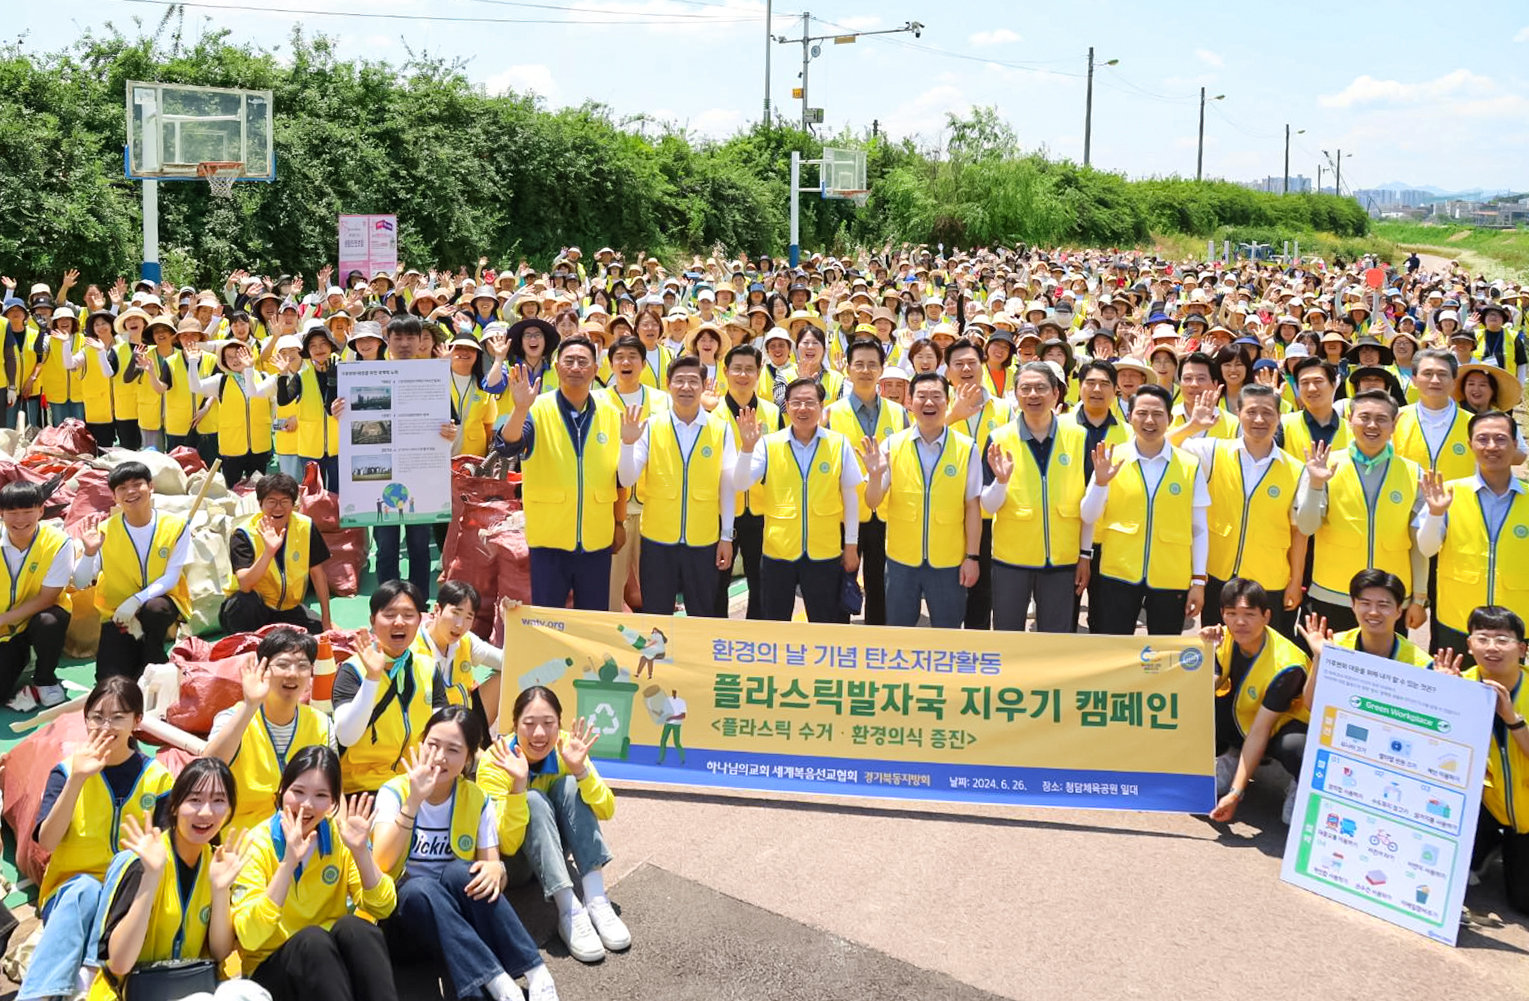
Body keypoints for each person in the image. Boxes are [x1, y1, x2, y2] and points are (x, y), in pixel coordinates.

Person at [372, 707, 560, 1001]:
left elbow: (491, 871)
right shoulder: (394, 792)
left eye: (453, 750)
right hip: (403, 921)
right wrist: (413, 802)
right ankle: (497, 979)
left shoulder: (475, 797)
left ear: (468, 759)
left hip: (455, 924)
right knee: (421, 887)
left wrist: (498, 869)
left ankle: (536, 972)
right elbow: (380, 864)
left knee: (462, 871)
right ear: (421, 743)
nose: (439, 757)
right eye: (432, 744)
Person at [17, 678, 174, 1001]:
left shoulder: (158, 779)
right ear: (85, 719)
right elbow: (47, 842)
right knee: (85, 889)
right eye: (97, 716)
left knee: (128, 863)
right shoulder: (65, 771)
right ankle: (47, 993)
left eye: (118, 717)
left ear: (137, 721)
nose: (106, 726)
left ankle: (80, 984)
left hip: (127, 897)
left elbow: (165, 849)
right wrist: (77, 780)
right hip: (71, 894)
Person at [232, 746, 400, 1001]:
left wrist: (361, 852)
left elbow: (384, 907)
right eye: (298, 792)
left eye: (321, 795)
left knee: (356, 928)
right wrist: (287, 863)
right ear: (281, 792)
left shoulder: (339, 837)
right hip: (272, 971)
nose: (307, 805)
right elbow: (249, 936)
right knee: (312, 940)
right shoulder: (257, 843)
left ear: (333, 803)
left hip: (329, 971)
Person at [478, 687, 628, 966]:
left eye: (548, 724)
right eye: (529, 724)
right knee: (532, 800)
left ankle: (596, 899)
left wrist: (580, 770)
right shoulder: (494, 761)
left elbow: (607, 809)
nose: (539, 734)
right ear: (514, 724)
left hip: (558, 846)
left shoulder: (567, 746)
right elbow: (506, 845)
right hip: (518, 864)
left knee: (572, 784)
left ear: (559, 724)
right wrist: (518, 788)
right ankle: (569, 911)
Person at [90, 758, 258, 1001]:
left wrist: (220, 890)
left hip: (191, 986)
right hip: (130, 993)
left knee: (249, 993)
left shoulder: (218, 863)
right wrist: (151, 877)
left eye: (219, 800)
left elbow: (220, 953)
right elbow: (119, 963)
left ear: (230, 808)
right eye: (195, 800)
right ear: (175, 806)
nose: (206, 812)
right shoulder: (142, 861)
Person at [495, 335, 626, 612]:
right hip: (549, 540)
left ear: (595, 369)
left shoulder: (612, 413)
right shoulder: (536, 408)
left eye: (583, 361)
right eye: (569, 361)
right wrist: (520, 409)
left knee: (592, 620)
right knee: (549, 621)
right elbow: (508, 446)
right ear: (556, 366)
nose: (576, 367)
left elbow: (618, 478)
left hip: (596, 539)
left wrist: (618, 523)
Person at [1294, 389, 1426, 634]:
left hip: (1390, 599)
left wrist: (1418, 598)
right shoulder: (1323, 465)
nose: (1372, 425)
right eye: (1364, 417)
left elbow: (1419, 544)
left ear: (1394, 424)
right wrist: (1315, 484)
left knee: (1385, 670)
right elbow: (1306, 526)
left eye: (1382, 419)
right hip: (1333, 593)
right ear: (1350, 419)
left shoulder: (1413, 473)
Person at [1081, 383, 1209, 634]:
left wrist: (1198, 580)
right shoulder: (1111, 458)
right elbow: (1088, 515)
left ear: (1170, 419)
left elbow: (1199, 528)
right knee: (1114, 649)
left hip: (1170, 575)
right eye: (1141, 413)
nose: (1149, 420)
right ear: (1129, 417)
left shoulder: (1190, 466)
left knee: (1163, 654)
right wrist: (1100, 483)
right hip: (1118, 572)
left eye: (1158, 414)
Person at [1179, 384, 1306, 637]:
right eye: (1251, 412)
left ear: (1279, 417)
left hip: (1269, 577)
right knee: (1217, 649)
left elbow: (1299, 532)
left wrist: (1295, 582)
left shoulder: (1296, 469)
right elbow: (1165, 447)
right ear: (1238, 413)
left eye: (1268, 412)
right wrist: (1193, 427)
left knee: (1265, 652)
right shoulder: (1213, 451)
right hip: (1219, 573)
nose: (1259, 419)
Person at [733, 377, 862, 623]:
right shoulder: (768, 445)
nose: (803, 409)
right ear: (787, 406)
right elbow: (740, 484)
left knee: (827, 624)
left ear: (822, 406)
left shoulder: (838, 444)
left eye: (810, 402)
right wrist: (747, 448)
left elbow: (850, 498)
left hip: (824, 552)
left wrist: (852, 546)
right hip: (778, 552)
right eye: (796, 403)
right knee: (775, 624)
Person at [619, 354, 736, 617]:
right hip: (658, 540)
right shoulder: (650, 427)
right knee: (656, 616)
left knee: (702, 615)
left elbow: (727, 486)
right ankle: (659, 661)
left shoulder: (720, 429)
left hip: (703, 540)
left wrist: (726, 536)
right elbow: (627, 479)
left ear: (704, 386)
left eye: (693, 381)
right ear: (668, 384)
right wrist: (627, 444)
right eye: (679, 381)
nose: (686, 387)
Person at [863, 372, 981, 628]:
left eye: (936, 396)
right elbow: (872, 502)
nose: (929, 403)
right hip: (901, 561)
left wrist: (972, 558)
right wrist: (875, 476)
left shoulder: (966, 447)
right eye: (922, 396)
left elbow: (972, 506)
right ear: (909, 401)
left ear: (947, 401)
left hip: (948, 561)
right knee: (900, 632)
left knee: (948, 633)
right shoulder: (892, 445)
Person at [981, 361, 1090, 633]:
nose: (1033, 395)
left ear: (1056, 393)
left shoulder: (1079, 437)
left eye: (1041, 388)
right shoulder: (998, 438)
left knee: (1056, 640)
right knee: (1008, 634)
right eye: (1025, 388)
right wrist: (1001, 482)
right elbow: (987, 504)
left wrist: (1085, 554)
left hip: (1062, 559)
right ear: (1015, 395)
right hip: (1011, 559)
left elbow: (1089, 504)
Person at [1417, 410, 1529, 660]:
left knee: (1512, 696)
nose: (1491, 446)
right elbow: (1427, 548)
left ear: (1514, 444)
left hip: (1515, 625)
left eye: (1500, 439)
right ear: (1470, 445)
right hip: (1457, 621)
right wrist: (1435, 513)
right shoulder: (1447, 493)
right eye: (1483, 439)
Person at [1441, 605, 1529, 913]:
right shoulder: (1460, 682)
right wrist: (1443, 697)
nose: (1492, 647)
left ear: (1522, 648)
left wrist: (1512, 719)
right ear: (1469, 644)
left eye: (1502, 639)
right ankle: (1486, 842)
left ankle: (1504, 845)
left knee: (1524, 904)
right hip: (1485, 804)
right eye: (1483, 638)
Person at [204, 628, 336, 833]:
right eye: (282, 665)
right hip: (244, 836)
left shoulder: (321, 724)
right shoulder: (234, 717)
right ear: (262, 669)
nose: (292, 673)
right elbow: (210, 767)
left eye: (302, 666)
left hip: (305, 831)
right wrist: (250, 706)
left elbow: (333, 790)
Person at [1201, 578, 1310, 826]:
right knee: (1201, 707)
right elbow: (1206, 687)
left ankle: (1301, 784)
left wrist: (1236, 794)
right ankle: (1231, 754)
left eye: (1249, 614)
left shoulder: (1287, 664)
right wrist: (1202, 649)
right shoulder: (1226, 637)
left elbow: (1261, 730)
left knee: (1295, 748)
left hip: (1285, 724)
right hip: (1247, 715)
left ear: (1266, 616)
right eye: (1232, 614)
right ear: (1223, 615)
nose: (1240, 622)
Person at [73, 461, 190, 682]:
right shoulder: (104, 530)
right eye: (122, 488)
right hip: (119, 615)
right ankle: (146, 659)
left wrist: (136, 600)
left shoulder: (176, 526)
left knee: (155, 610)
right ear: (114, 496)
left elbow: (172, 576)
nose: (131, 492)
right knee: (109, 679)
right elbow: (80, 582)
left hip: (160, 604)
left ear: (151, 486)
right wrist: (89, 553)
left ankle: (152, 657)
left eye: (137, 484)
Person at [368, 315, 459, 597]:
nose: (405, 344)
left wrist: (450, 431)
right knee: (386, 545)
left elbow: (451, 421)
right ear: (388, 341)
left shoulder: (434, 376)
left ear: (422, 341)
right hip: (384, 472)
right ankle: (388, 599)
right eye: (398, 338)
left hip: (421, 474)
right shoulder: (371, 375)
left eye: (411, 338)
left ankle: (417, 599)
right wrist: (340, 412)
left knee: (420, 544)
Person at [823, 340, 908, 625]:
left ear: (882, 370)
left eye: (872, 364)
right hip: (843, 514)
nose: (865, 370)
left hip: (886, 513)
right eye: (859, 364)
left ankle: (877, 648)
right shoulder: (830, 414)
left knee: (880, 588)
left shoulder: (898, 413)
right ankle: (838, 650)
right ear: (847, 369)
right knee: (839, 586)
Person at [331, 580, 436, 795]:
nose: (399, 622)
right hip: (364, 788)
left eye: (408, 615)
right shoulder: (352, 670)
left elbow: (441, 730)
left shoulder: (429, 668)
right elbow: (346, 736)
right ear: (372, 621)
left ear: (420, 620)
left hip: (416, 780)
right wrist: (372, 678)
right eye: (389, 615)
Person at [943, 337, 1014, 629]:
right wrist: (952, 415)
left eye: (972, 362)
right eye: (958, 364)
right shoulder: (937, 402)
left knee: (982, 588)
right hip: (947, 510)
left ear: (983, 365)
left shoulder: (1004, 409)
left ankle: (977, 646)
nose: (966, 368)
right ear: (947, 372)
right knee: (946, 586)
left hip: (987, 511)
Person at [1298, 569, 1433, 719]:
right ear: (1353, 606)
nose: (1373, 612)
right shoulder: (1334, 645)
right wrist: (1320, 658)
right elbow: (1311, 705)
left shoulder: (1421, 664)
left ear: (1399, 611)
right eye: (1365, 603)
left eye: (1383, 605)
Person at [712, 344, 781, 618]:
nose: (743, 375)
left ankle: (754, 643)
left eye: (749, 369)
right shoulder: (713, 414)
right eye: (737, 369)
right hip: (722, 513)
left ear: (759, 371)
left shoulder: (773, 413)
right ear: (725, 371)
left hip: (763, 512)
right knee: (718, 582)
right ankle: (717, 639)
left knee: (761, 582)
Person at [219, 472, 333, 635]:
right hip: (250, 607)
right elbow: (245, 584)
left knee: (319, 635)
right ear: (260, 503)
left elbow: (318, 574)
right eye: (271, 501)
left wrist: (326, 622)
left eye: (284, 501)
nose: (278, 508)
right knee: (245, 602)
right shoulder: (243, 533)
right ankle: (244, 643)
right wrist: (269, 552)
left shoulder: (306, 527)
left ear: (293, 504)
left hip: (287, 608)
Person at [0, 481, 73, 710]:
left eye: (28, 511)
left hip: (36, 617)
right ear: (1, 513)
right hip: (5, 631)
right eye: (12, 512)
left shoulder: (58, 542)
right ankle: (21, 656)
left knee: (49, 621)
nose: (20, 520)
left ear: (41, 511)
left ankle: (45, 679)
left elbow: (47, 598)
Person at [184, 339, 281, 487]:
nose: (234, 360)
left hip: (260, 444)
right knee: (232, 489)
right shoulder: (220, 381)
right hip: (232, 447)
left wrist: (277, 428)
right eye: (229, 357)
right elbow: (195, 387)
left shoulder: (263, 377)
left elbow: (275, 408)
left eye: (238, 354)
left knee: (258, 490)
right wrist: (192, 362)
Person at [415, 580, 503, 730]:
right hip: (428, 727)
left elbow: (508, 662)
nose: (460, 624)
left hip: (465, 720)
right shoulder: (413, 647)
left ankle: (479, 740)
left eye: (469, 617)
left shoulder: (466, 640)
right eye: (456, 613)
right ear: (437, 610)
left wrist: (508, 620)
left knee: (502, 679)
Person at [277, 322, 342, 491]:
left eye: (323, 344)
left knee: (337, 492)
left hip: (338, 446)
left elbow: (331, 408)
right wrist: (283, 375)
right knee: (313, 494)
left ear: (331, 346)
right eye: (313, 346)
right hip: (310, 447)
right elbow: (283, 400)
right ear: (308, 351)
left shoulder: (344, 371)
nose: (318, 349)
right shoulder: (301, 376)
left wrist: (333, 381)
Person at [1394, 349, 1474, 481]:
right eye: (1428, 373)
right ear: (1414, 379)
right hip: (1408, 500)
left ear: (1454, 382)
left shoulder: (1474, 424)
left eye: (1442, 374)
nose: (1435, 380)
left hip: (1459, 500)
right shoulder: (1395, 420)